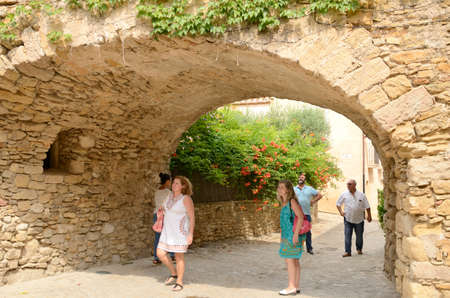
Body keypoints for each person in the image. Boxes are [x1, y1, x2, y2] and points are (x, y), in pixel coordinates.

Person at [157, 176, 195, 292]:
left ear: (183, 186)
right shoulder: (169, 196)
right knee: (160, 253)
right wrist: (161, 211)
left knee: (179, 257)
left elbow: (192, 217)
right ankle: (174, 273)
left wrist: (190, 234)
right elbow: (165, 209)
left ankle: (179, 282)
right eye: (173, 183)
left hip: (180, 232)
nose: (174, 185)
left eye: (177, 183)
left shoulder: (186, 198)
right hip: (167, 231)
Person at [277, 179, 306, 296]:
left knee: (290, 261)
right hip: (287, 235)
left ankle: (291, 287)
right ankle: (296, 286)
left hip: (292, 236)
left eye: (282, 187)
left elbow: (300, 217)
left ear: (288, 190)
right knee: (294, 260)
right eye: (278, 187)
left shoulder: (291, 201)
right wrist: (281, 236)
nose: (279, 189)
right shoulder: (284, 203)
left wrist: (295, 234)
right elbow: (285, 221)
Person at [336, 179, 372, 257]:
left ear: (354, 185)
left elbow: (367, 206)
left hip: (359, 219)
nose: (348, 186)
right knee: (347, 235)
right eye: (347, 184)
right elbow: (338, 204)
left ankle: (359, 249)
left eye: (350, 184)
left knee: (359, 236)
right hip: (348, 219)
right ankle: (347, 252)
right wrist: (341, 212)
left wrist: (369, 216)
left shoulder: (361, 195)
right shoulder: (344, 194)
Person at [293, 172, 322, 255]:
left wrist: (313, 201)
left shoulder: (309, 189)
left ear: (305, 180)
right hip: (296, 214)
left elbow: (319, 195)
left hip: (306, 214)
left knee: (308, 232)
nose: (300, 178)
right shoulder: (294, 189)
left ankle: (309, 248)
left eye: (302, 177)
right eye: (299, 177)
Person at [152, 173, 174, 264]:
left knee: (158, 237)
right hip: (165, 215)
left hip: (156, 215)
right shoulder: (168, 192)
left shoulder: (156, 192)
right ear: (167, 181)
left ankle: (156, 258)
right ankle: (172, 255)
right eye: (170, 181)